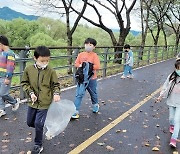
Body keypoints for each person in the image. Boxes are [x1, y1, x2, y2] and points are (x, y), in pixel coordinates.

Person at [21, 46, 61, 154]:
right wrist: (30, 93)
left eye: (47, 60)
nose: (45, 63)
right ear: (35, 58)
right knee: (30, 122)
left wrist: (56, 93)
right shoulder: (28, 69)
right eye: (42, 61)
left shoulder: (51, 71)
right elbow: (24, 83)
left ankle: (38, 144)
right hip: (32, 102)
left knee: (38, 123)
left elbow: (56, 85)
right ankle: (42, 126)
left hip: (44, 103)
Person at [71, 38, 100, 119]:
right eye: (87, 44)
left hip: (91, 79)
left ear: (94, 47)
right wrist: (81, 65)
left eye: (90, 45)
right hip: (82, 79)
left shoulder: (94, 56)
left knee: (93, 93)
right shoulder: (81, 54)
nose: (88, 46)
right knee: (79, 94)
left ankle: (95, 105)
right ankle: (75, 111)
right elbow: (76, 63)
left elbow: (97, 66)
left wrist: (89, 66)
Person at [156, 59, 180, 148]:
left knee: (177, 121)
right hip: (171, 101)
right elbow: (165, 87)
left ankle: (173, 140)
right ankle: (172, 125)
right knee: (171, 119)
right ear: (175, 68)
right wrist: (160, 96)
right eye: (178, 68)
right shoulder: (171, 77)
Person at [0, 35, 19, 117]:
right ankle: (1, 109)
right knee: (0, 94)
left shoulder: (10, 53)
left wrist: (8, 77)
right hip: (0, 75)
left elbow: (10, 67)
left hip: (5, 76)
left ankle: (14, 102)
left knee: (3, 93)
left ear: (1, 44)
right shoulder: (1, 53)